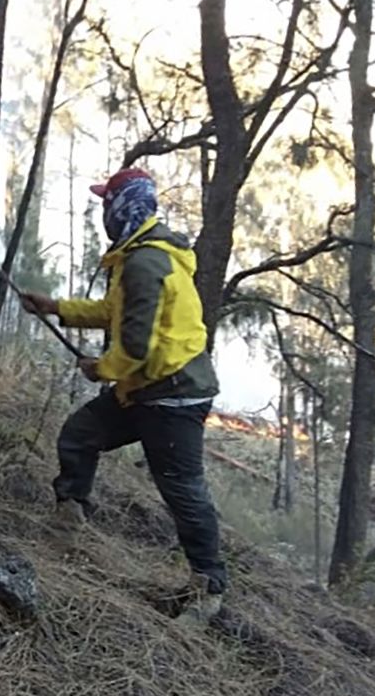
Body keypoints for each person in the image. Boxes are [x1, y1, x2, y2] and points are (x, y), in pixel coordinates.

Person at [19, 168, 227, 625]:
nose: (102, 214)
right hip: (145, 386)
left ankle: (208, 589)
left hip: (173, 396)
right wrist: (55, 308)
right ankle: (69, 520)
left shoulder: (145, 261)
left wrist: (101, 369)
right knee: (80, 434)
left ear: (122, 207)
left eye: (105, 204)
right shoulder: (136, 255)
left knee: (182, 490)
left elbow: (135, 345)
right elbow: (114, 313)